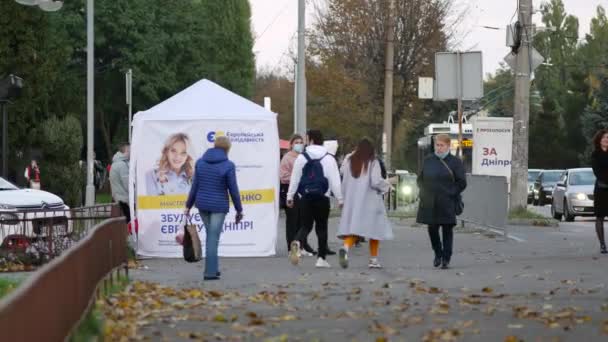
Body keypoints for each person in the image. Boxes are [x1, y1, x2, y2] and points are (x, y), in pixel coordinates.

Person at [185, 136, 243, 280]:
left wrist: (188, 205)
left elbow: (195, 186)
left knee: (212, 236)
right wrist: (239, 209)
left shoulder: (200, 162)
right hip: (218, 205)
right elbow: (233, 189)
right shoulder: (228, 165)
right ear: (227, 149)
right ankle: (210, 272)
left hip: (202, 205)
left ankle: (214, 268)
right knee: (213, 238)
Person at [287, 129, 343, 268]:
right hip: (322, 197)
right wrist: (340, 198)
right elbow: (335, 180)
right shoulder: (329, 158)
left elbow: (295, 178)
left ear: (310, 139)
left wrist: (290, 196)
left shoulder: (302, 157)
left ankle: (297, 242)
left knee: (306, 225)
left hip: (305, 197)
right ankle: (321, 259)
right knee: (322, 227)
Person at [337, 138, 393, 269]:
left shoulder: (349, 161)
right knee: (375, 230)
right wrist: (387, 186)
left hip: (354, 201)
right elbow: (376, 181)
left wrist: (343, 198)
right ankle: (373, 259)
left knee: (356, 229)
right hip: (370, 201)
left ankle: (345, 247)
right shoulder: (373, 162)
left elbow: (343, 180)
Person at [416, 133, 466, 269]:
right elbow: (420, 179)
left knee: (447, 229)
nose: (439, 148)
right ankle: (438, 253)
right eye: (437, 145)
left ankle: (446, 258)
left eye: (441, 145)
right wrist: (424, 192)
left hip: (447, 201)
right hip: (430, 201)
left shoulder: (455, 162)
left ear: (448, 146)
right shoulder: (429, 160)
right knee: (432, 229)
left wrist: (451, 193)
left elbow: (462, 182)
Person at [280, 134, 316, 256]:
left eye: (301, 142)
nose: (299, 144)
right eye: (297, 142)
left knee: (303, 220)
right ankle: (291, 249)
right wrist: (297, 178)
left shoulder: (304, 157)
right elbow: (283, 176)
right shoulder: (287, 158)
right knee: (292, 221)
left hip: (304, 192)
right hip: (291, 191)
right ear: (291, 144)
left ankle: (301, 246)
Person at [591, 128, 608, 254]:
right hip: (601, 189)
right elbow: (597, 172)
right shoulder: (595, 154)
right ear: (599, 140)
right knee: (600, 217)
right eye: (604, 138)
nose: (606, 140)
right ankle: (602, 244)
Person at [110, 144, 131, 222]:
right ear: (126, 151)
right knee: (129, 225)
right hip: (124, 201)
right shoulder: (122, 165)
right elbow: (127, 184)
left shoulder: (115, 163)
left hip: (118, 199)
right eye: (130, 150)